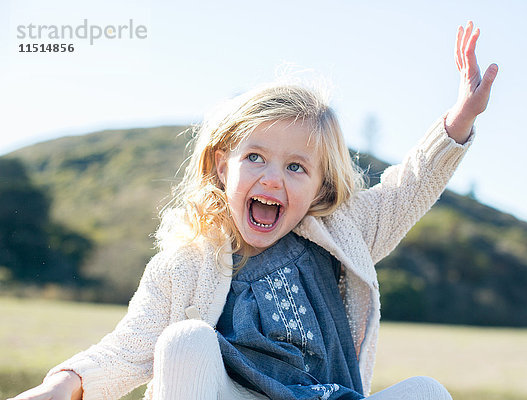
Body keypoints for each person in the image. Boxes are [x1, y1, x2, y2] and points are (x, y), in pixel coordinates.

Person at [10, 21, 498, 400]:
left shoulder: (343, 231)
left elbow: (406, 187)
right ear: (224, 166)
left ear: (320, 186)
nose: (272, 178)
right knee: (185, 341)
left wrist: (460, 119)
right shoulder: (186, 264)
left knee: (427, 392)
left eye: (296, 167)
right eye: (256, 157)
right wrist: (64, 383)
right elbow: (127, 348)